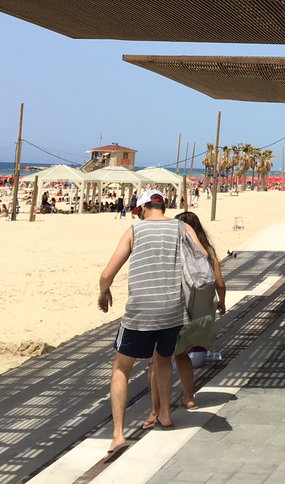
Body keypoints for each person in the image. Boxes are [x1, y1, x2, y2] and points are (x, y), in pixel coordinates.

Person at [97, 188, 207, 459]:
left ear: (144, 208)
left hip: (141, 310)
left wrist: (104, 292)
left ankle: (118, 434)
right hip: (172, 309)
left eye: (139, 211)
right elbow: (203, 255)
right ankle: (165, 415)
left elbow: (108, 273)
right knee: (162, 359)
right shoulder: (181, 227)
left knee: (121, 367)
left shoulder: (135, 230)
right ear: (163, 206)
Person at [168, 211, 226, 413]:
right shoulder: (208, 250)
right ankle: (189, 398)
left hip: (179, 308)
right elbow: (220, 283)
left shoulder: (176, 250)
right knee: (183, 354)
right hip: (202, 311)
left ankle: (159, 405)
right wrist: (222, 303)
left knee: (164, 357)